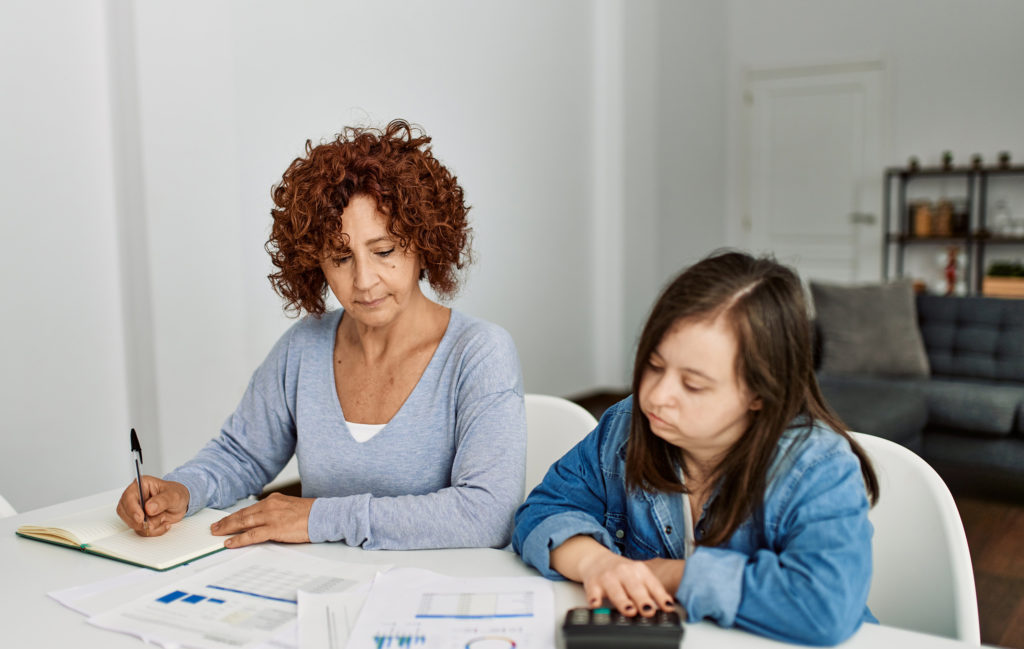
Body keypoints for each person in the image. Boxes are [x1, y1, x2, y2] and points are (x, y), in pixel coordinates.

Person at [116, 119, 526, 550]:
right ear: (316, 262)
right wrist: (180, 491)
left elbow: (486, 515)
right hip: (323, 593)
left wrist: (318, 517)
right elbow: (241, 456)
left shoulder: (480, 354)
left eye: (384, 251)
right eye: (341, 257)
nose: (364, 281)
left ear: (424, 243)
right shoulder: (305, 347)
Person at [513, 251, 879, 645]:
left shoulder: (819, 466)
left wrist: (671, 574)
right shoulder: (626, 425)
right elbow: (543, 510)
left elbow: (824, 606)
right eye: (654, 366)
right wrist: (597, 563)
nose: (656, 396)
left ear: (760, 392)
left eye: (693, 385)